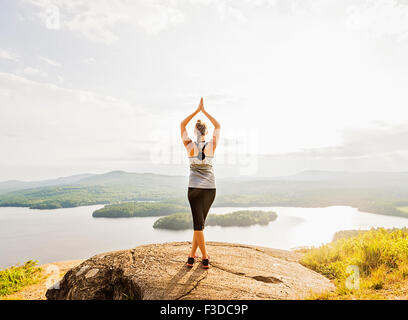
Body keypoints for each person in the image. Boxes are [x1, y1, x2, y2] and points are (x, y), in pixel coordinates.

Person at [180, 97, 220, 269]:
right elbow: (218, 126)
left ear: (195, 131)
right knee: (200, 224)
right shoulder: (212, 144)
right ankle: (192, 256)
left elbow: (182, 125)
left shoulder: (189, 145)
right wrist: (204, 112)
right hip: (210, 189)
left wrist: (197, 111)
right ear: (205, 131)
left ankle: (204, 258)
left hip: (194, 188)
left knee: (198, 224)